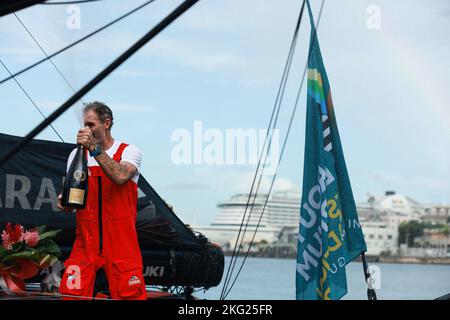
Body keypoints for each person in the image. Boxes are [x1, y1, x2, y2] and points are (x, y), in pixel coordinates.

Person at [57, 101, 147, 300]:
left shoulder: (129, 151)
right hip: (85, 242)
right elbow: (72, 201)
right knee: (71, 294)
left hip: (121, 243)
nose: (85, 129)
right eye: (84, 125)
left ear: (106, 123)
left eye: (91, 125)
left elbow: (121, 176)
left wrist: (94, 149)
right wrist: (65, 202)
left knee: (129, 296)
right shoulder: (76, 154)